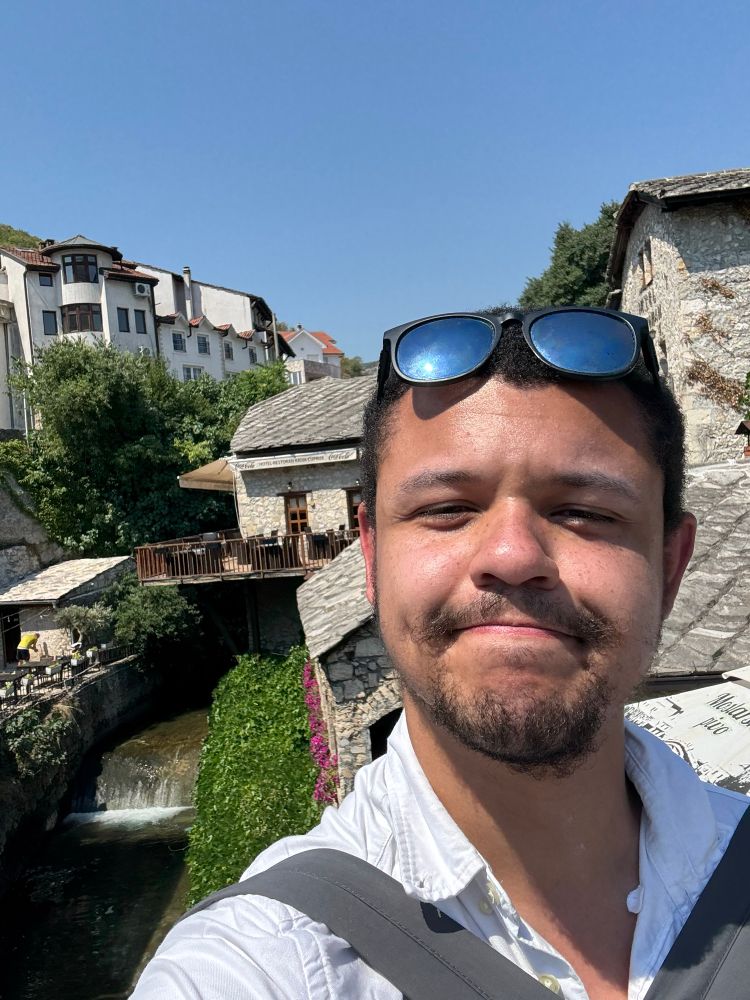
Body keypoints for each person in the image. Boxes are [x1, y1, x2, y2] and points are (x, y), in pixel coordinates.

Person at [132, 308, 748, 1000]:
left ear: (671, 566)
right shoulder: (271, 961)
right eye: (447, 509)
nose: (513, 557)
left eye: (585, 512)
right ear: (371, 555)